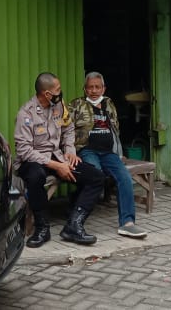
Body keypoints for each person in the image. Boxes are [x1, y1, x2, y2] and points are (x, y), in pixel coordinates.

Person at [14, 72, 105, 248]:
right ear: (47, 94)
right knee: (35, 177)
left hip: (58, 156)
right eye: (57, 90)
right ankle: (42, 229)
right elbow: (24, 151)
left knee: (96, 177)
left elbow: (68, 127)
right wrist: (57, 166)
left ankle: (73, 225)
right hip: (33, 161)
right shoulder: (26, 113)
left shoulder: (58, 106)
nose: (60, 92)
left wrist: (70, 150)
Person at [68, 72, 148, 239]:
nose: (94, 90)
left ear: (103, 88)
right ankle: (76, 213)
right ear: (85, 89)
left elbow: (116, 129)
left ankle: (127, 223)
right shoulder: (76, 104)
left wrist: (119, 153)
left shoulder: (109, 104)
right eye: (90, 87)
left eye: (98, 87)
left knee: (124, 177)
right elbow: (66, 129)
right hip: (87, 150)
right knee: (94, 174)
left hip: (108, 153)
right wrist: (69, 151)